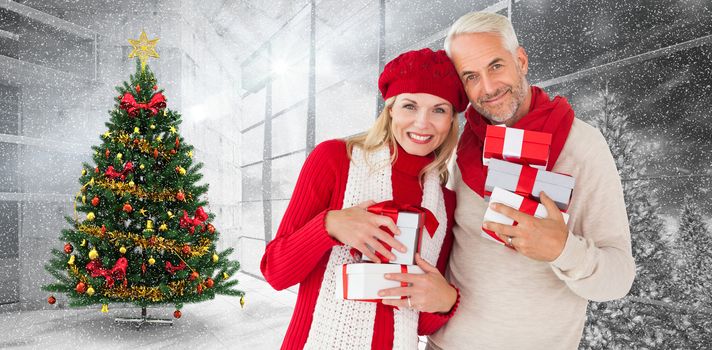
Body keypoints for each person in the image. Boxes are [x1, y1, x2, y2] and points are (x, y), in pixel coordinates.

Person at [426, 12, 636, 350]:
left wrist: (563, 250)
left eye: (496, 66)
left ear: (521, 59)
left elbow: (619, 277)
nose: (489, 88)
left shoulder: (581, 146)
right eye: (471, 76)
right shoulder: (458, 147)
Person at [260, 48, 469, 349]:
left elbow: (417, 319)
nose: (423, 123)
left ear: (451, 120)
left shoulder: (445, 203)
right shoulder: (334, 160)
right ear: (391, 109)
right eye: (410, 105)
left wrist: (445, 300)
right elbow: (276, 272)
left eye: (439, 110)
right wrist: (329, 225)